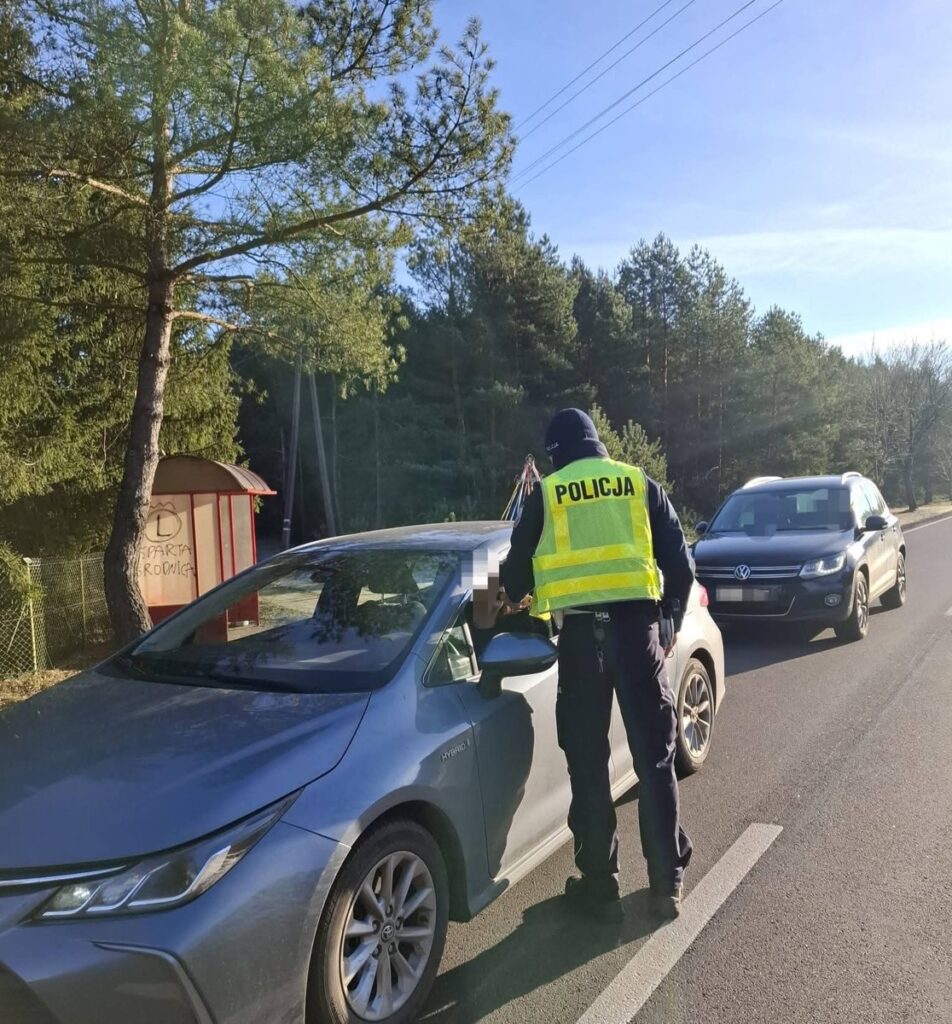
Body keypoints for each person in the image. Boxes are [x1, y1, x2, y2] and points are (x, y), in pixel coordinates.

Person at [494, 408, 695, 923]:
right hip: (638, 634)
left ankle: (599, 883)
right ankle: (665, 885)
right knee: (654, 760)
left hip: (582, 641)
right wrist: (670, 615)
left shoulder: (548, 493)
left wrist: (494, 611)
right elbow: (681, 562)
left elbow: (512, 582)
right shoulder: (638, 483)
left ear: (556, 453)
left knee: (587, 763)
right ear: (600, 445)